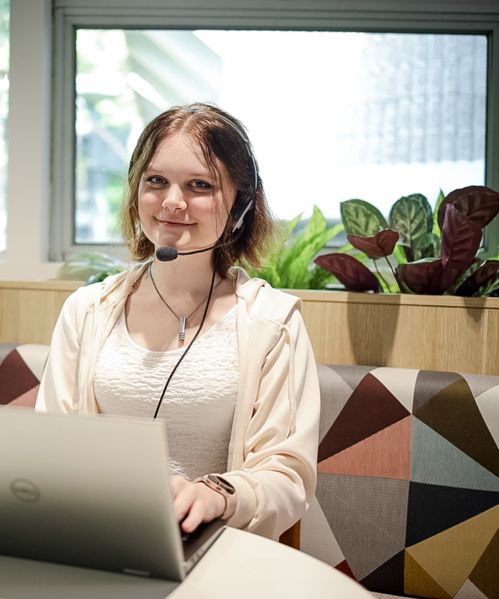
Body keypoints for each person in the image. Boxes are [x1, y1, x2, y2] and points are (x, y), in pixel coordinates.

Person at [37, 102, 320, 541]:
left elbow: (288, 475)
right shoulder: (87, 310)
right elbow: (50, 447)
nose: (172, 202)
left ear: (240, 205)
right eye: (156, 181)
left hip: (218, 550)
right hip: (96, 542)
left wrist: (218, 494)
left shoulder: (272, 323)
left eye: (199, 185)